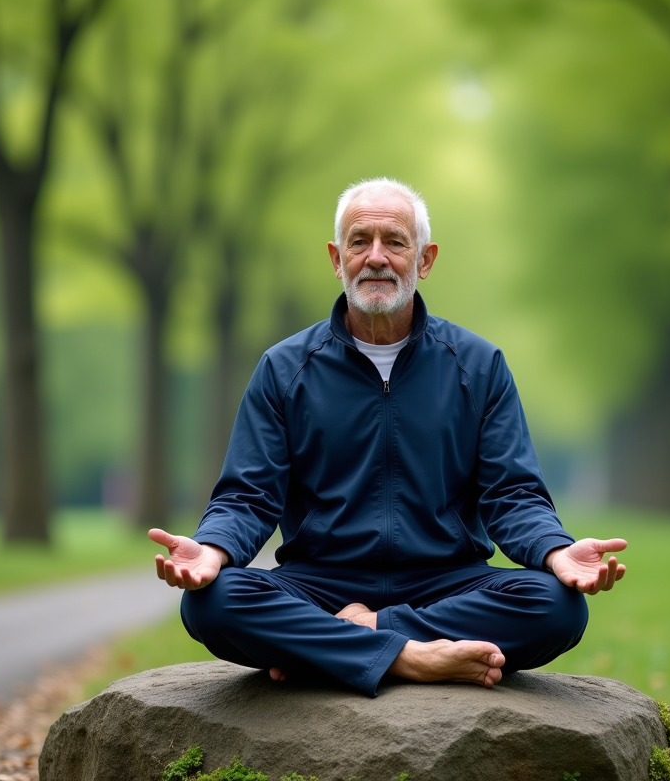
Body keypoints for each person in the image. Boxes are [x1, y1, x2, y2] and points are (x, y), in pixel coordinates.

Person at [149, 178, 627, 697]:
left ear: (424, 260)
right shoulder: (283, 369)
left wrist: (556, 552)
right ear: (337, 258)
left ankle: (344, 646)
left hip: (445, 584)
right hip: (320, 584)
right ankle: (416, 659)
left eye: (395, 242)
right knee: (210, 602)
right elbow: (248, 494)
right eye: (360, 242)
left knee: (557, 606)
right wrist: (212, 549)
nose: (376, 257)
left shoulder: (479, 366)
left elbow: (512, 494)